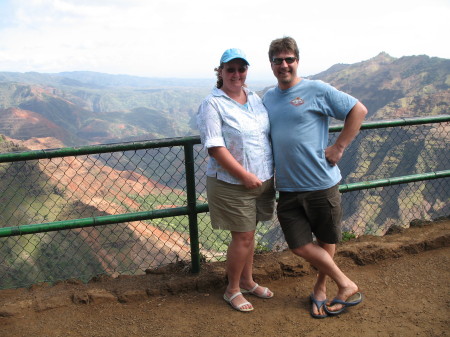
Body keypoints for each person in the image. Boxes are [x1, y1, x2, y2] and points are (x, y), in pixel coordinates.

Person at [262, 37, 368, 318]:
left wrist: (339, 146)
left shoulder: (316, 89)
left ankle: (321, 288)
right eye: (278, 60)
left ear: (297, 60)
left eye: (289, 59)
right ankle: (346, 283)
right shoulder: (268, 98)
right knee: (298, 245)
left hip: (321, 182)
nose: (284, 65)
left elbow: (358, 110)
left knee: (325, 239)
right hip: (287, 186)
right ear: (271, 64)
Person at [197, 48, 276, 312]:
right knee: (242, 236)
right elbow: (214, 146)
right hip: (233, 183)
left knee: (249, 234)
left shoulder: (254, 98)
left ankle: (248, 281)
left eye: (241, 69)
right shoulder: (213, 103)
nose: (236, 74)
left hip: (262, 180)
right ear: (219, 71)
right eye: (230, 69)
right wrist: (244, 175)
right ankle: (232, 290)